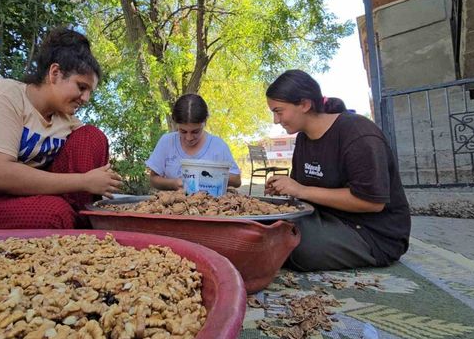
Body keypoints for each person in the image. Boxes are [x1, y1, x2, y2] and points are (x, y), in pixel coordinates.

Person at [0, 27, 122, 229]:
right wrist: (84, 181)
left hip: (27, 195)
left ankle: (83, 223)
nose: (85, 99)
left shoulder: (65, 119)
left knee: (92, 136)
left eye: (90, 92)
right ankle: (69, 226)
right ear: (55, 73)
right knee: (53, 214)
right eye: (81, 87)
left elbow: (89, 157)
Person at [264, 69, 410, 271]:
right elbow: (300, 192)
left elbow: (372, 203)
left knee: (298, 249)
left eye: (278, 111)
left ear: (305, 104)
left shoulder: (358, 133)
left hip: (370, 232)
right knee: (259, 226)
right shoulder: (303, 138)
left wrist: (301, 190)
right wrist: (284, 190)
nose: (276, 120)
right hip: (323, 219)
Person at [146, 94, 242, 191]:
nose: (189, 138)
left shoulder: (218, 146)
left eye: (195, 131)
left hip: (210, 204)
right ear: (176, 124)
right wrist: (174, 183)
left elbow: (237, 180)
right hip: (173, 203)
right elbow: (154, 179)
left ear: (204, 122)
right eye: (183, 131)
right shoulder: (166, 142)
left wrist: (208, 177)